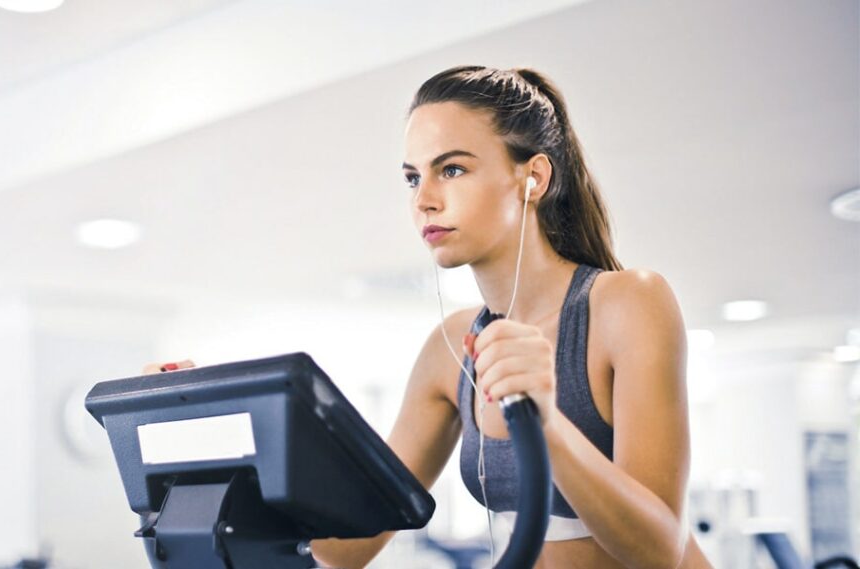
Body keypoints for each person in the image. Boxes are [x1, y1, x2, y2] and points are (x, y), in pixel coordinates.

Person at [145, 65, 712, 568]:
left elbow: (660, 549)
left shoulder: (626, 303)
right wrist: (213, 438)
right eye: (414, 177)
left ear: (533, 178)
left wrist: (547, 424)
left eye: (453, 170)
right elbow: (349, 547)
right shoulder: (451, 347)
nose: (423, 200)